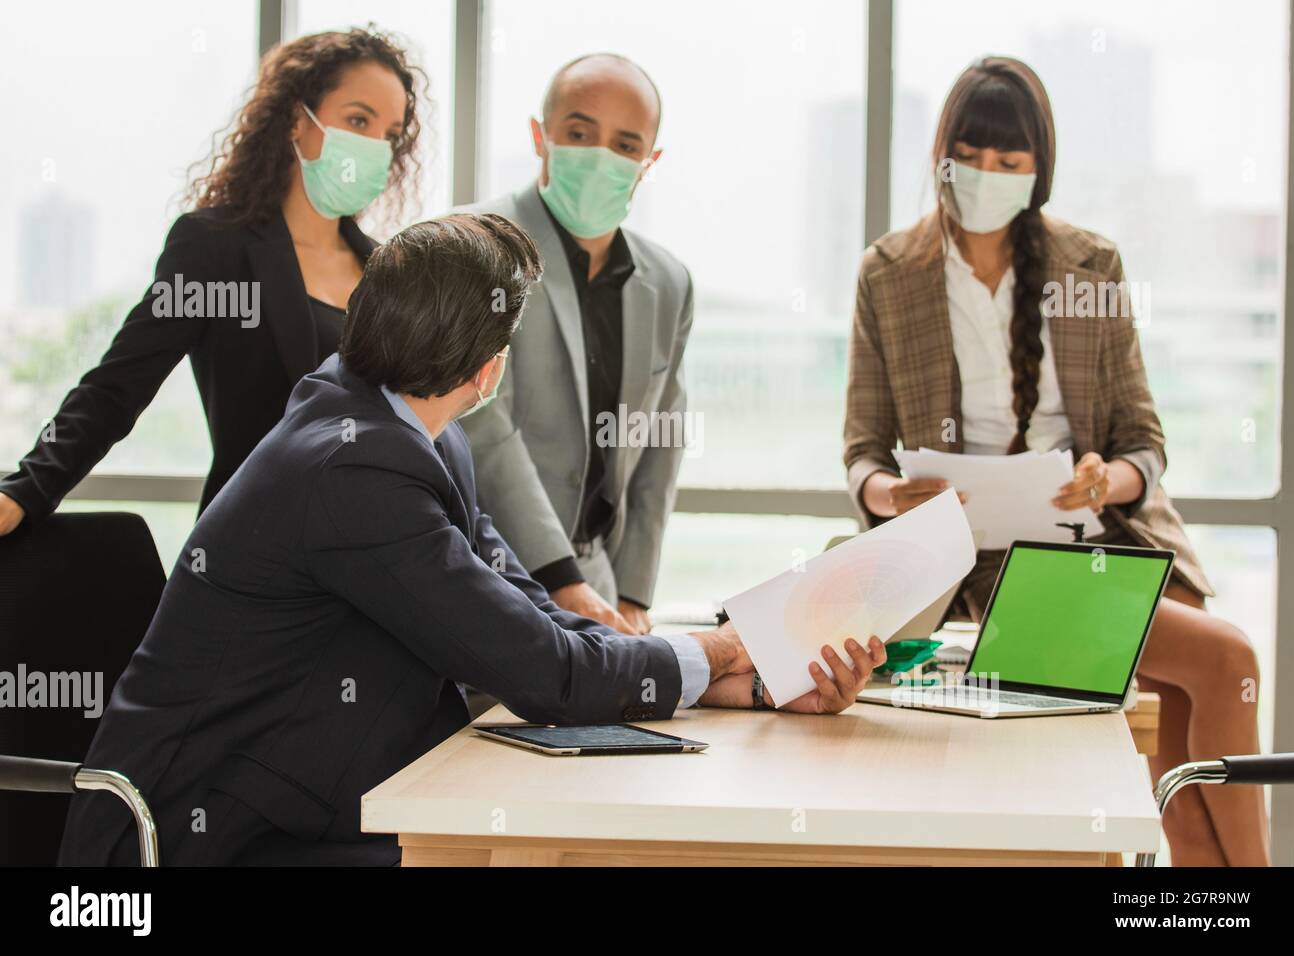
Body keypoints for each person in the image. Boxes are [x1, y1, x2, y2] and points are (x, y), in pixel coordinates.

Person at [60, 214, 884, 866]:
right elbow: (544, 673)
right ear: (488, 368)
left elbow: (529, 616)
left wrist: (746, 681)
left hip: (313, 795)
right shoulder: (356, 471)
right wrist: (723, 650)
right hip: (207, 837)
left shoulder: (411, 430)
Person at [842, 57, 1268, 866]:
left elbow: (1145, 440)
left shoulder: (1091, 264)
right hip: (995, 568)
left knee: (1185, 772)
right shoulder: (888, 275)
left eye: (1010, 162)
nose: (987, 175)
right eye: (971, 156)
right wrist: (894, 493)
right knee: (1227, 661)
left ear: (1039, 171)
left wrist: (1109, 478)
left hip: (1114, 543)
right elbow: (862, 448)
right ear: (942, 156)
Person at [0, 28, 425, 535]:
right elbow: (118, 386)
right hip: (259, 552)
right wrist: (26, 488)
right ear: (297, 118)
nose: (376, 148)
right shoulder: (217, 249)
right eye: (358, 120)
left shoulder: (387, 272)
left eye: (390, 134)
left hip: (377, 550)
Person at [461, 53, 691, 635]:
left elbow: (662, 438)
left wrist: (634, 592)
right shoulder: (471, 243)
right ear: (541, 136)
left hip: (600, 588)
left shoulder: (668, 282)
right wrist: (559, 578)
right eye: (580, 133)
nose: (600, 156)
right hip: (479, 572)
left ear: (650, 161)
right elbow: (485, 419)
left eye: (625, 144)